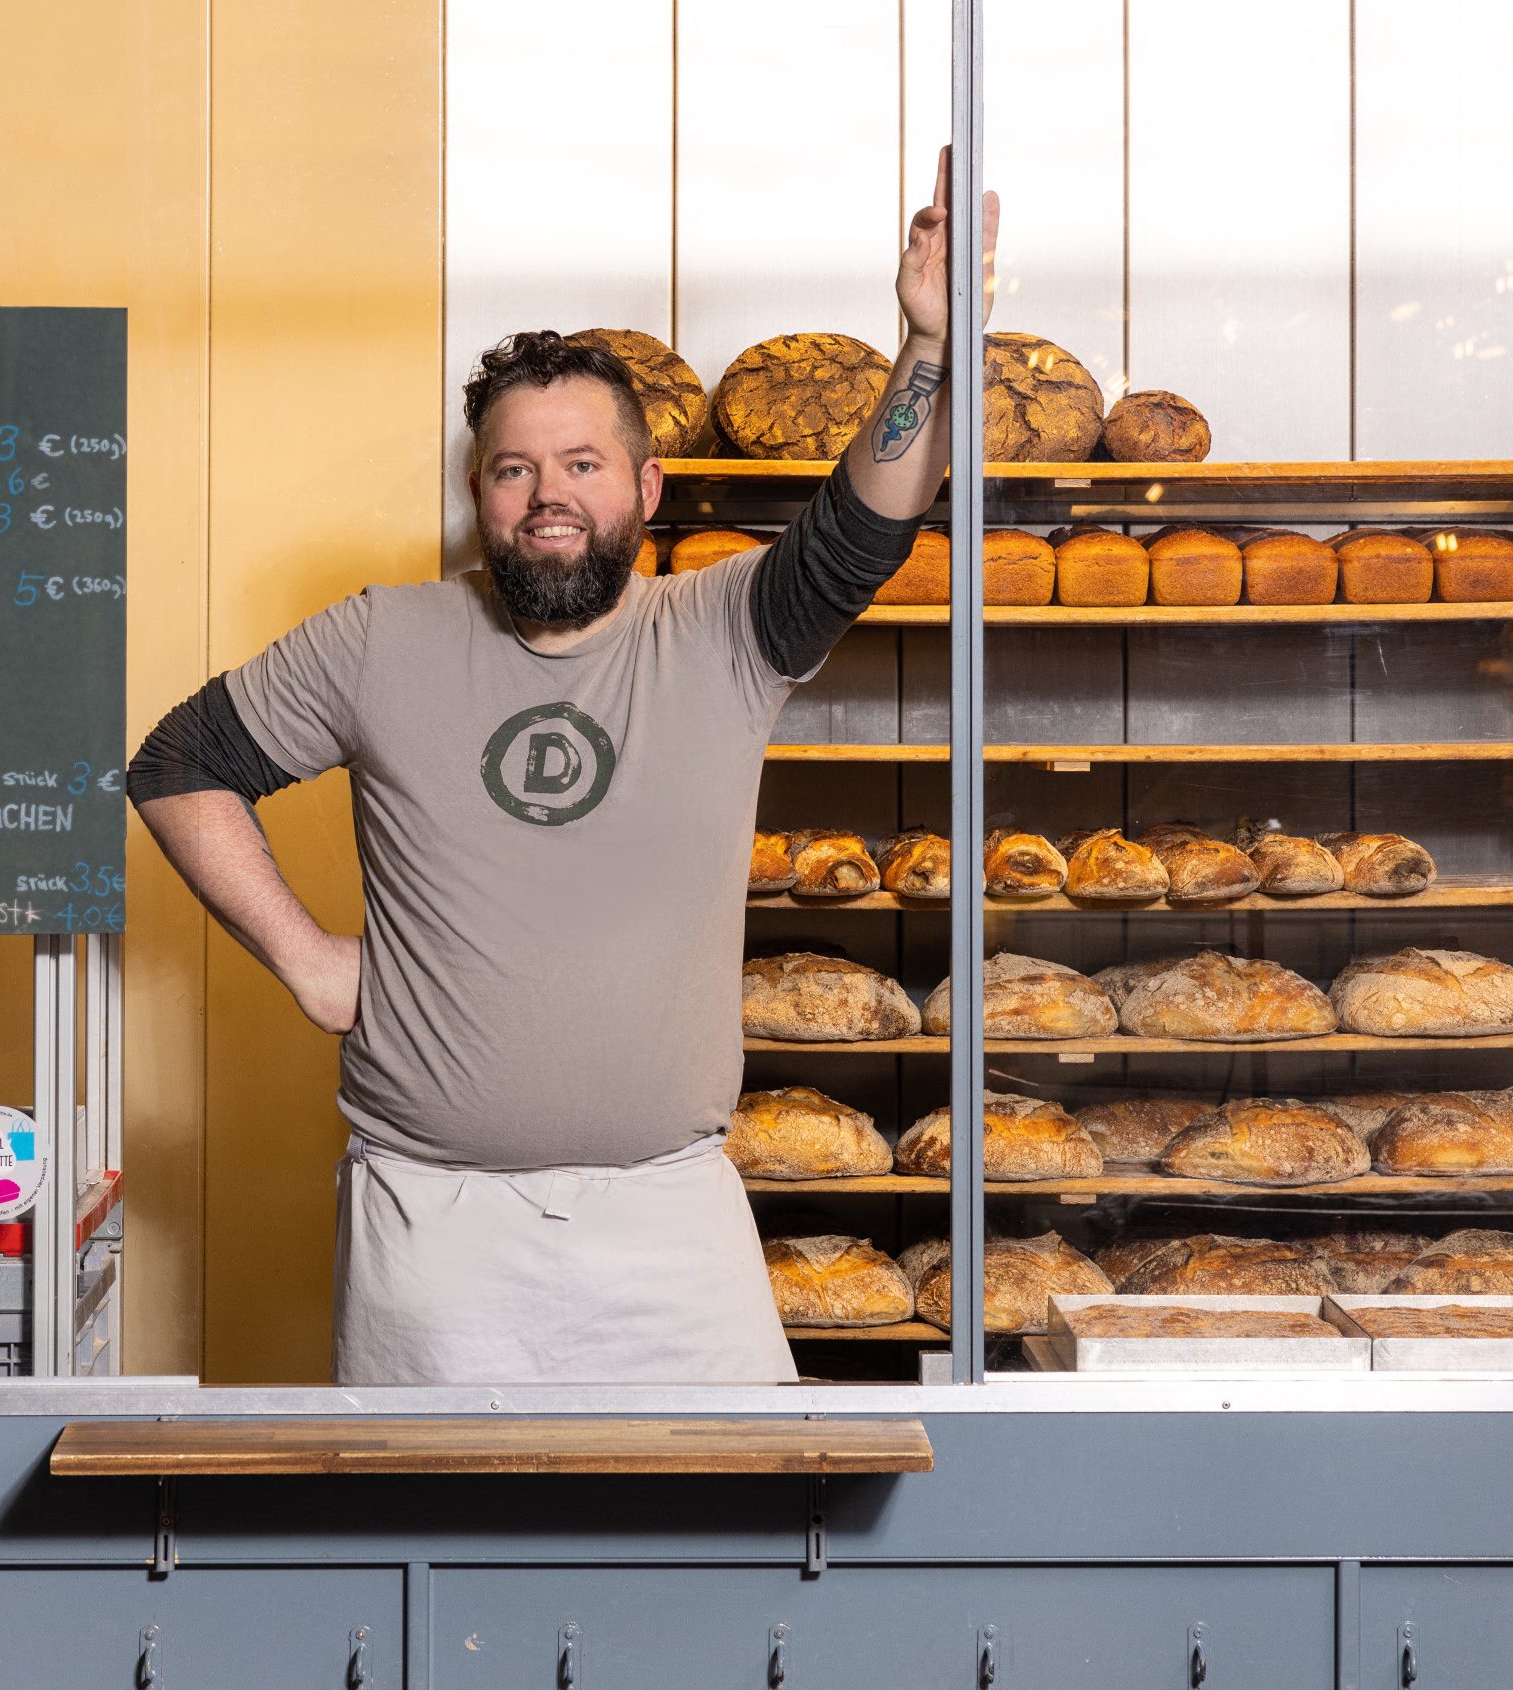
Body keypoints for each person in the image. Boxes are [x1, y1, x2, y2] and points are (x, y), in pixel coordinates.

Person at [126, 149, 999, 1383]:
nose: (549, 497)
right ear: (478, 491)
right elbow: (177, 764)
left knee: (718, 1551)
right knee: (430, 1563)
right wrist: (309, 961)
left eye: (582, 465)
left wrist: (924, 344)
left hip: (670, 1217)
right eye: (514, 468)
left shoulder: (722, 632)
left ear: (643, 486)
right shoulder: (381, 637)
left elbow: (866, 524)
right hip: (431, 1227)